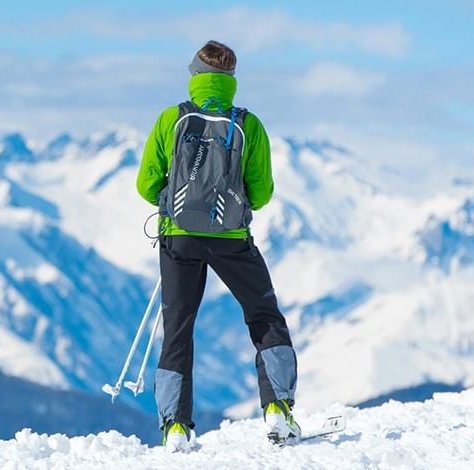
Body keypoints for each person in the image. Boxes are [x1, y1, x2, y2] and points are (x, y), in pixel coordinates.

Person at [135, 40, 300, 452]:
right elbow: (261, 193)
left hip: (179, 237)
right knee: (263, 315)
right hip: (231, 239)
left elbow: (145, 184)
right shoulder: (249, 124)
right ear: (232, 79)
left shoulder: (171, 120)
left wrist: (175, 203)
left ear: (194, 75)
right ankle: (278, 407)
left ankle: (175, 426)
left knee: (178, 327)